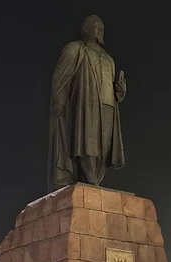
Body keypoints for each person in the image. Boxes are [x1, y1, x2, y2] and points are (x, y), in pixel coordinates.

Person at [48, 15, 127, 192]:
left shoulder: (109, 59)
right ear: (86, 29)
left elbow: (113, 88)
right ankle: (89, 178)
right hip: (87, 105)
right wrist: (59, 98)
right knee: (87, 142)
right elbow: (61, 76)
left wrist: (120, 91)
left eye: (102, 28)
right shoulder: (76, 49)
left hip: (107, 105)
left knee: (104, 145)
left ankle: (95, 179)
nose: (100, 30)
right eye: (96, 27)